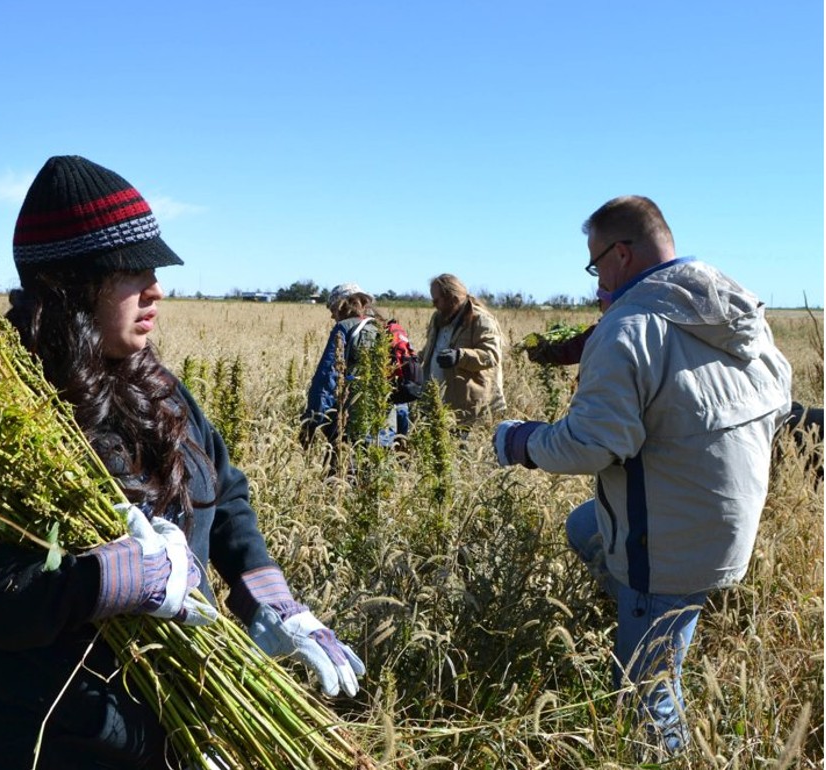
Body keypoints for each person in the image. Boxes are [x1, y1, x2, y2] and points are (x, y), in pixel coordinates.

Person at [0, 155, 364, 769]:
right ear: (72, 284)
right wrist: (101, 582)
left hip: (158, 729)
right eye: (133, 271)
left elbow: (226, 493)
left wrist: (272, 602)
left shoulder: (153, 383)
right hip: (35, 743)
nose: (156, 288)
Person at [492, 195, 793, 756]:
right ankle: (647, 613)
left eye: (595, 263)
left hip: (664, 542)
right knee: (585, 527)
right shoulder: (734, 312)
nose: (595, 279)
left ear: (621, 255)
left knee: (643, 695)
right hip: (724, 524)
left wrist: (519, 441)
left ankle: (658, 714)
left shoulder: (628, 328)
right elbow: (777, 402)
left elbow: (592, 445)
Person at [300, 282, 420, 455]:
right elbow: (398, 387)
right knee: (376, 478)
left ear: (341, 305)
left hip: (352, 427)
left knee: (344, 477)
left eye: (332, 310)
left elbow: (326, 380)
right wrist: (401, 433)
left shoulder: (345, 328)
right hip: (385, 429)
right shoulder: (386, 329)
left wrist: (312, 421)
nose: (332, 317)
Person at [418, 273, 506, 425]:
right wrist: (413, 359)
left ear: (452, 298)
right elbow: (430, 349)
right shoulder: (438, 318)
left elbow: (491, 355)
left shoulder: (480, 320)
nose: (434, 305)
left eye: (437, 300)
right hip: (436, 401)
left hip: (467, 407)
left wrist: (460, 356)